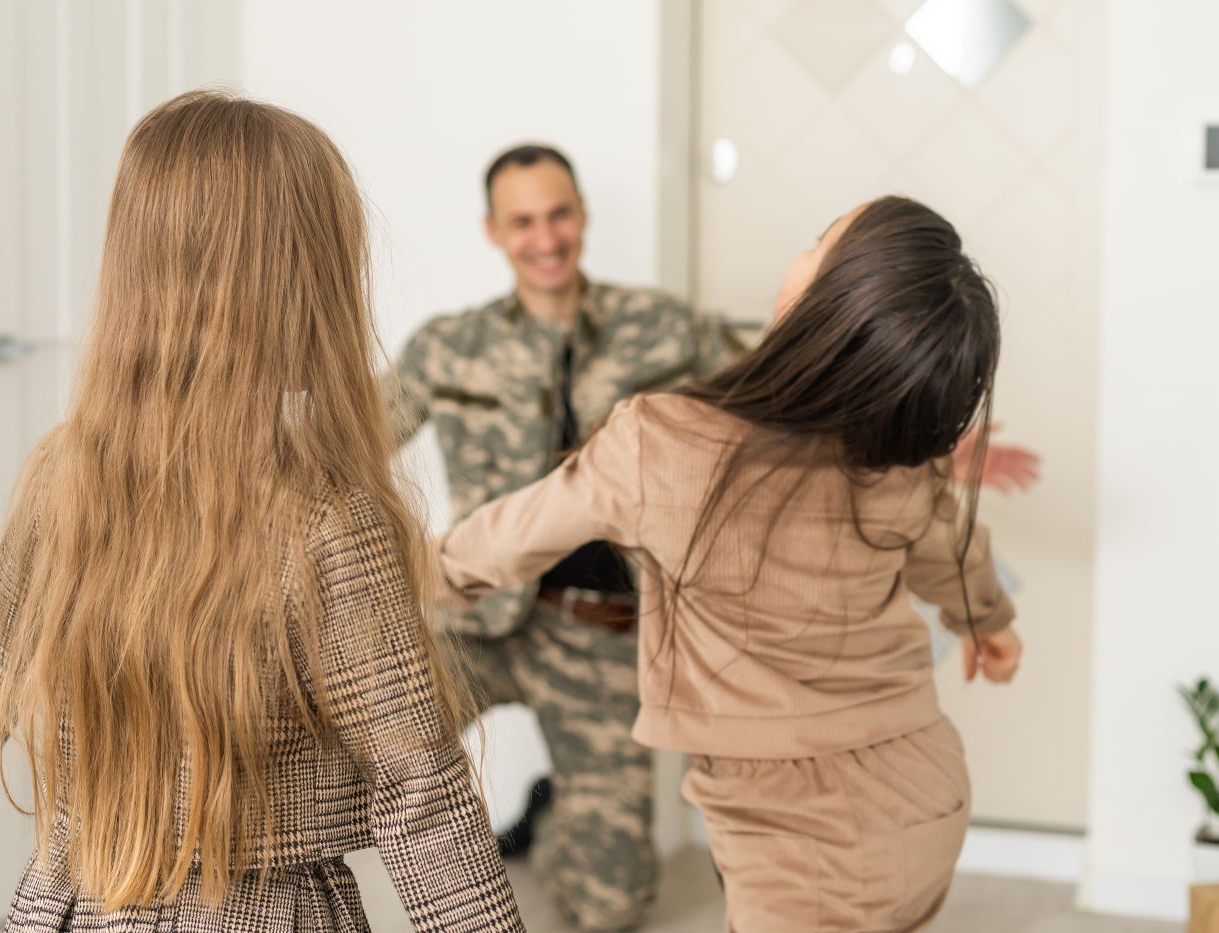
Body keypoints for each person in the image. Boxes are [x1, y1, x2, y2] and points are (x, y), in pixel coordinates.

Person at [0, 91, 522, 933]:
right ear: (305, 281)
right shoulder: (328, 520)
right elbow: (421, 790)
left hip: (72, 902)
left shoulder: (64, 472)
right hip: (263, 912)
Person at [435, 196, 1024, 931]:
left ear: (823, 303)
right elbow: (956, 556)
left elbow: (500, 541)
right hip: (928, 783)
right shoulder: (897, 457)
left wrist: (416, 572)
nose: (798, 255)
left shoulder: (662, 441)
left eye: (818, 243)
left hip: (800, 835)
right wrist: (991, 624)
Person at [385, 144, 741, 930]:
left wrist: (910, 437)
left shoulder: (666, 328)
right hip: (473, 625)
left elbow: (775, 402)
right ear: (493, 231)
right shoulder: (448, 345)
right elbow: (344, 449)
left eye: (558, 215)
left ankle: (554, 822)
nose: (545, 238)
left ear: (581, 214)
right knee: (349, 749)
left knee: (611, 906)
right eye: (523, 221)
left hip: (602, 633)